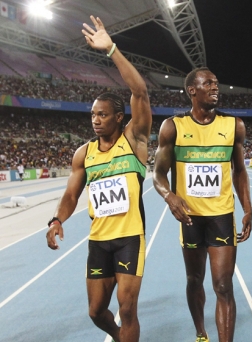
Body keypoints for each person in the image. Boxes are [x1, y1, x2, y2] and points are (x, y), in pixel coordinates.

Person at [45, 16, 152, 342]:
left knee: (128, 308)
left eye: (102, 114)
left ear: (119, 117)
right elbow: (71, 195)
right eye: (92, 114)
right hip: (99, 240)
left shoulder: (134, 140)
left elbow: (140, 91)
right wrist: (57, 219)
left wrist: (112, 50)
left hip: (130, 236)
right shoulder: (83, 153)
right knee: (95, 311)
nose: (95, 120)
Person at [153, 67, 252, 342]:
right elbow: (158, 174)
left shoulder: (234, 126)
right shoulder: (173, 127)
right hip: (190, 217)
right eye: (208, 83)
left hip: (221, 215)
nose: (215, 87)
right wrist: (169, 196)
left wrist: (248, 208)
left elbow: (240, 171)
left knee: (223, 284)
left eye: (216, 83)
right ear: (192, 90)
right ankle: (200, 332)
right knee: (194, 280)